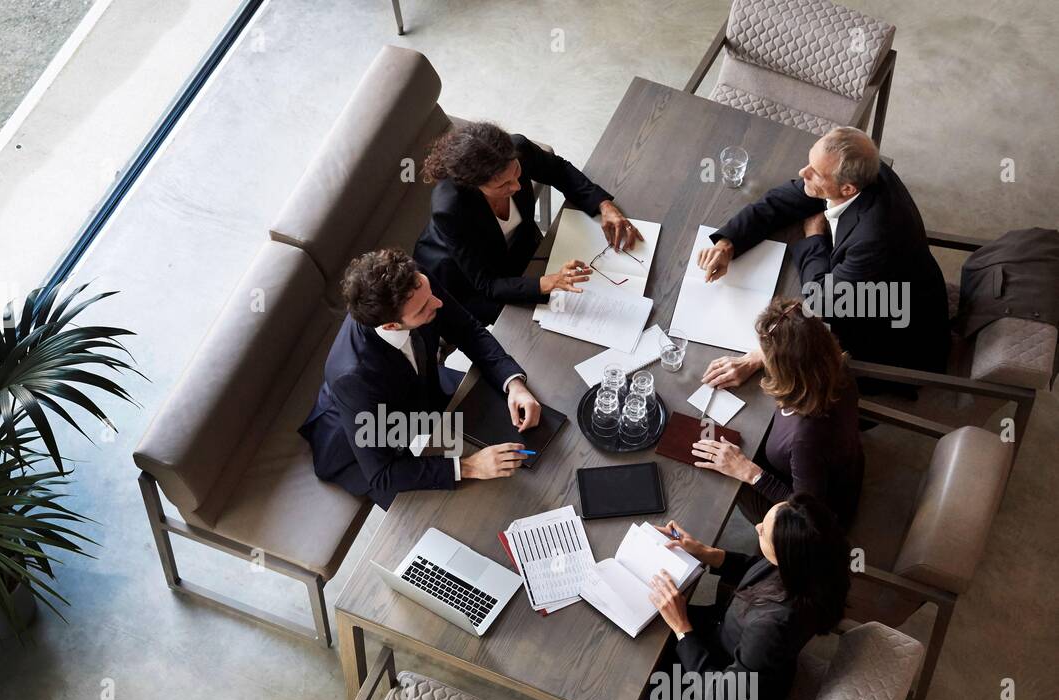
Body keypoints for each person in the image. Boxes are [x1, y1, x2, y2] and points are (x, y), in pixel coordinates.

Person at [698, 126, 949, 386]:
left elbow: (822, 302)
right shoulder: (865, 168)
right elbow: (782, 201)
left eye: (814, 173)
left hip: (889, 332)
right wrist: (727, 245)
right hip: (864, 288)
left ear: (848, 189)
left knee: (790, 382)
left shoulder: (875, 240)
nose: (802, 173)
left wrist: (760, 356)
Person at [299, 248, 543, 510]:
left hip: (422, 388)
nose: (438, 303)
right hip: (362, 443)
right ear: (391, 325)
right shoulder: (351, 377)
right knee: (454, 510)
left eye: (430, 294)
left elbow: (467, 330)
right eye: (424, 308)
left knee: (503, 416)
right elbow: (383, 474)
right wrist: (469, 466)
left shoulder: (416, 286)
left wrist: (514, 384)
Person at [641, 494, 851, 700]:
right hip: (736, 649)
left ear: (786, 555)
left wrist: (682, 627)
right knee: (652, 625)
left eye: (764, 532)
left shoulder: (773, 625)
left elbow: (721, 699)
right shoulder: (813, 567)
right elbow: (756, 568)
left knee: (638, 673)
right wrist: (705, 552)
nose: (757, 527)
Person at [413, 120, 637, 327]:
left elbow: (558, 170)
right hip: (466, 280)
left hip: (518, 247)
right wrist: (545, 283)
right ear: (474, 185)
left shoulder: (517, 148)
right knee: (537, 327)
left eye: (517, 173)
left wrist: (604, 206)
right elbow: (487, 283)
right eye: (503, 185)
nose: (517, 186)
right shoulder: (451, 209)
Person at [690, 298, 864, 528]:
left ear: (787, 370)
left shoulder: (806, 439)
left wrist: (749, 472)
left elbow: (809, 514)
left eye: (768, 354)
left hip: (812, 513)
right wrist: (756, 357)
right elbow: (801, 342)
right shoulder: (833, 364)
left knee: (721, 475)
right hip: (838, 465)